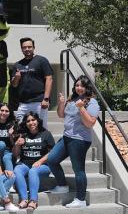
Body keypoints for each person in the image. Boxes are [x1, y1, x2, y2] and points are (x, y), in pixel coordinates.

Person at [47, 75, 100, 208]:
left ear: (87, 87)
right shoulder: (72, 99)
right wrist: (61, 103)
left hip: (80, 140)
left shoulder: (91, 102)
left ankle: (81, 199)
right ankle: (62, 185)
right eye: (77, 85)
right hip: (67, 137)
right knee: (52, 160)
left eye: (82, 86)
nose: (79, 88)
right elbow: (61, 115)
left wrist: (82, 108)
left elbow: (90, 124)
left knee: (78, 169)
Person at [12, 111, 55, 210]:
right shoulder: (23, 134)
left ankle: (33, 200)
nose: (31, 123)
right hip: (25, 163)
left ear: (38, 121)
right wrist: (17, 144)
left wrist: (40, 161)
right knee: (17, 170)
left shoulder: (46, 134)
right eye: (28, 121)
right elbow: (15, 154)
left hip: (43, 166)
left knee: (33, 170)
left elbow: (52, 153)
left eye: (33, 120)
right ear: (25, 123)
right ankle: (24, 199)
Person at [11, 37, 53, 128]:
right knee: (19, 128)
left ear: (34, 47)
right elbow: (14, 85)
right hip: (23, 103)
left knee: (41, 128)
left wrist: (46, 98)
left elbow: (49, 79)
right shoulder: (17, 65)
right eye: (24, 47)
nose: (27, 49)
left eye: (29, 47)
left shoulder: (42, 60)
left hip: (39, 102)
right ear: (21, 48)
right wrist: (17, 78)